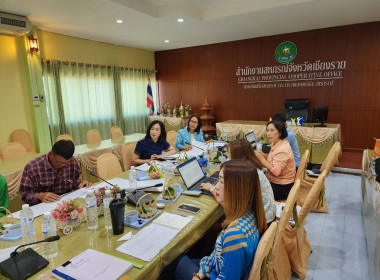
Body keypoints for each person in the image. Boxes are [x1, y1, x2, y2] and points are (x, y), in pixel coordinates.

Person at [161, 160, 267, 280]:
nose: (216, 186)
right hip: (215, 268)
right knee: (174, 259)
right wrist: (200, 273)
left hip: (216, 275)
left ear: (236, 190)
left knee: (169, 259)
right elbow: (217, 255)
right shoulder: (249, 213)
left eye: (221, 181)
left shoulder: (234, 236)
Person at [202, 139, 276, 223]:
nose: (228, 157)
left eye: (230, 155)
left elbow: (231, 207)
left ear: (237, 157)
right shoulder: (253, 167)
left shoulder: (245, 175)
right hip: (268, 215)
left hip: (261, 222)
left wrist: (212, 189)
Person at [19, 140, 91, 205]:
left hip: (66, 204)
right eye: (59, 162)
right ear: (51, 154)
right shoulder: (32, 167)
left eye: (66, 163)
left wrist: (81, 184)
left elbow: (74, 181)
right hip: (43, 207)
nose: (62, 165)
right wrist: (40, 196)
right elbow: (25, 195)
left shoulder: (72, 161)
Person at [256, 121, 296, 200]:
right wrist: (265, 156)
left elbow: (276, 172)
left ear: (280, 132)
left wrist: (262, 159)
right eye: (267, 130)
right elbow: (275, 160)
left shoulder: (282, 149)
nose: (268, 133)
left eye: (272, 130)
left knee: (252, 189)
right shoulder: (277, 143)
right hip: (277, 182)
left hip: (282, 187)